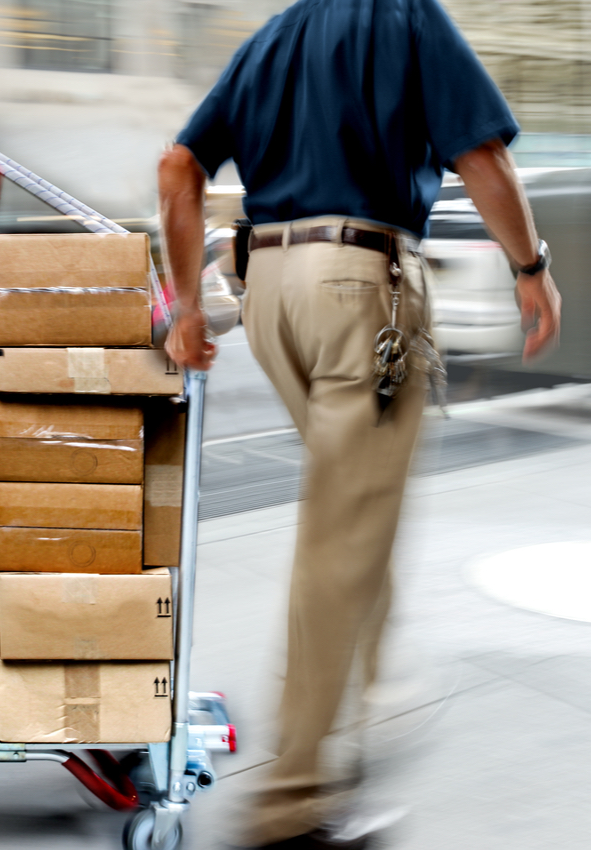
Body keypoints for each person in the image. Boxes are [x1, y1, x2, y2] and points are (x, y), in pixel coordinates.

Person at [158, 1, 562, 848]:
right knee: (342, 536)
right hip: (361, 290)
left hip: (269, 296)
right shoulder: (405, 15)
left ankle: (381, 679)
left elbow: (177, 166)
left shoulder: (271, 38)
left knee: (352, 500)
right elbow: (479, 154)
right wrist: (532, 267)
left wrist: (188, 307)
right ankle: (293, 802)